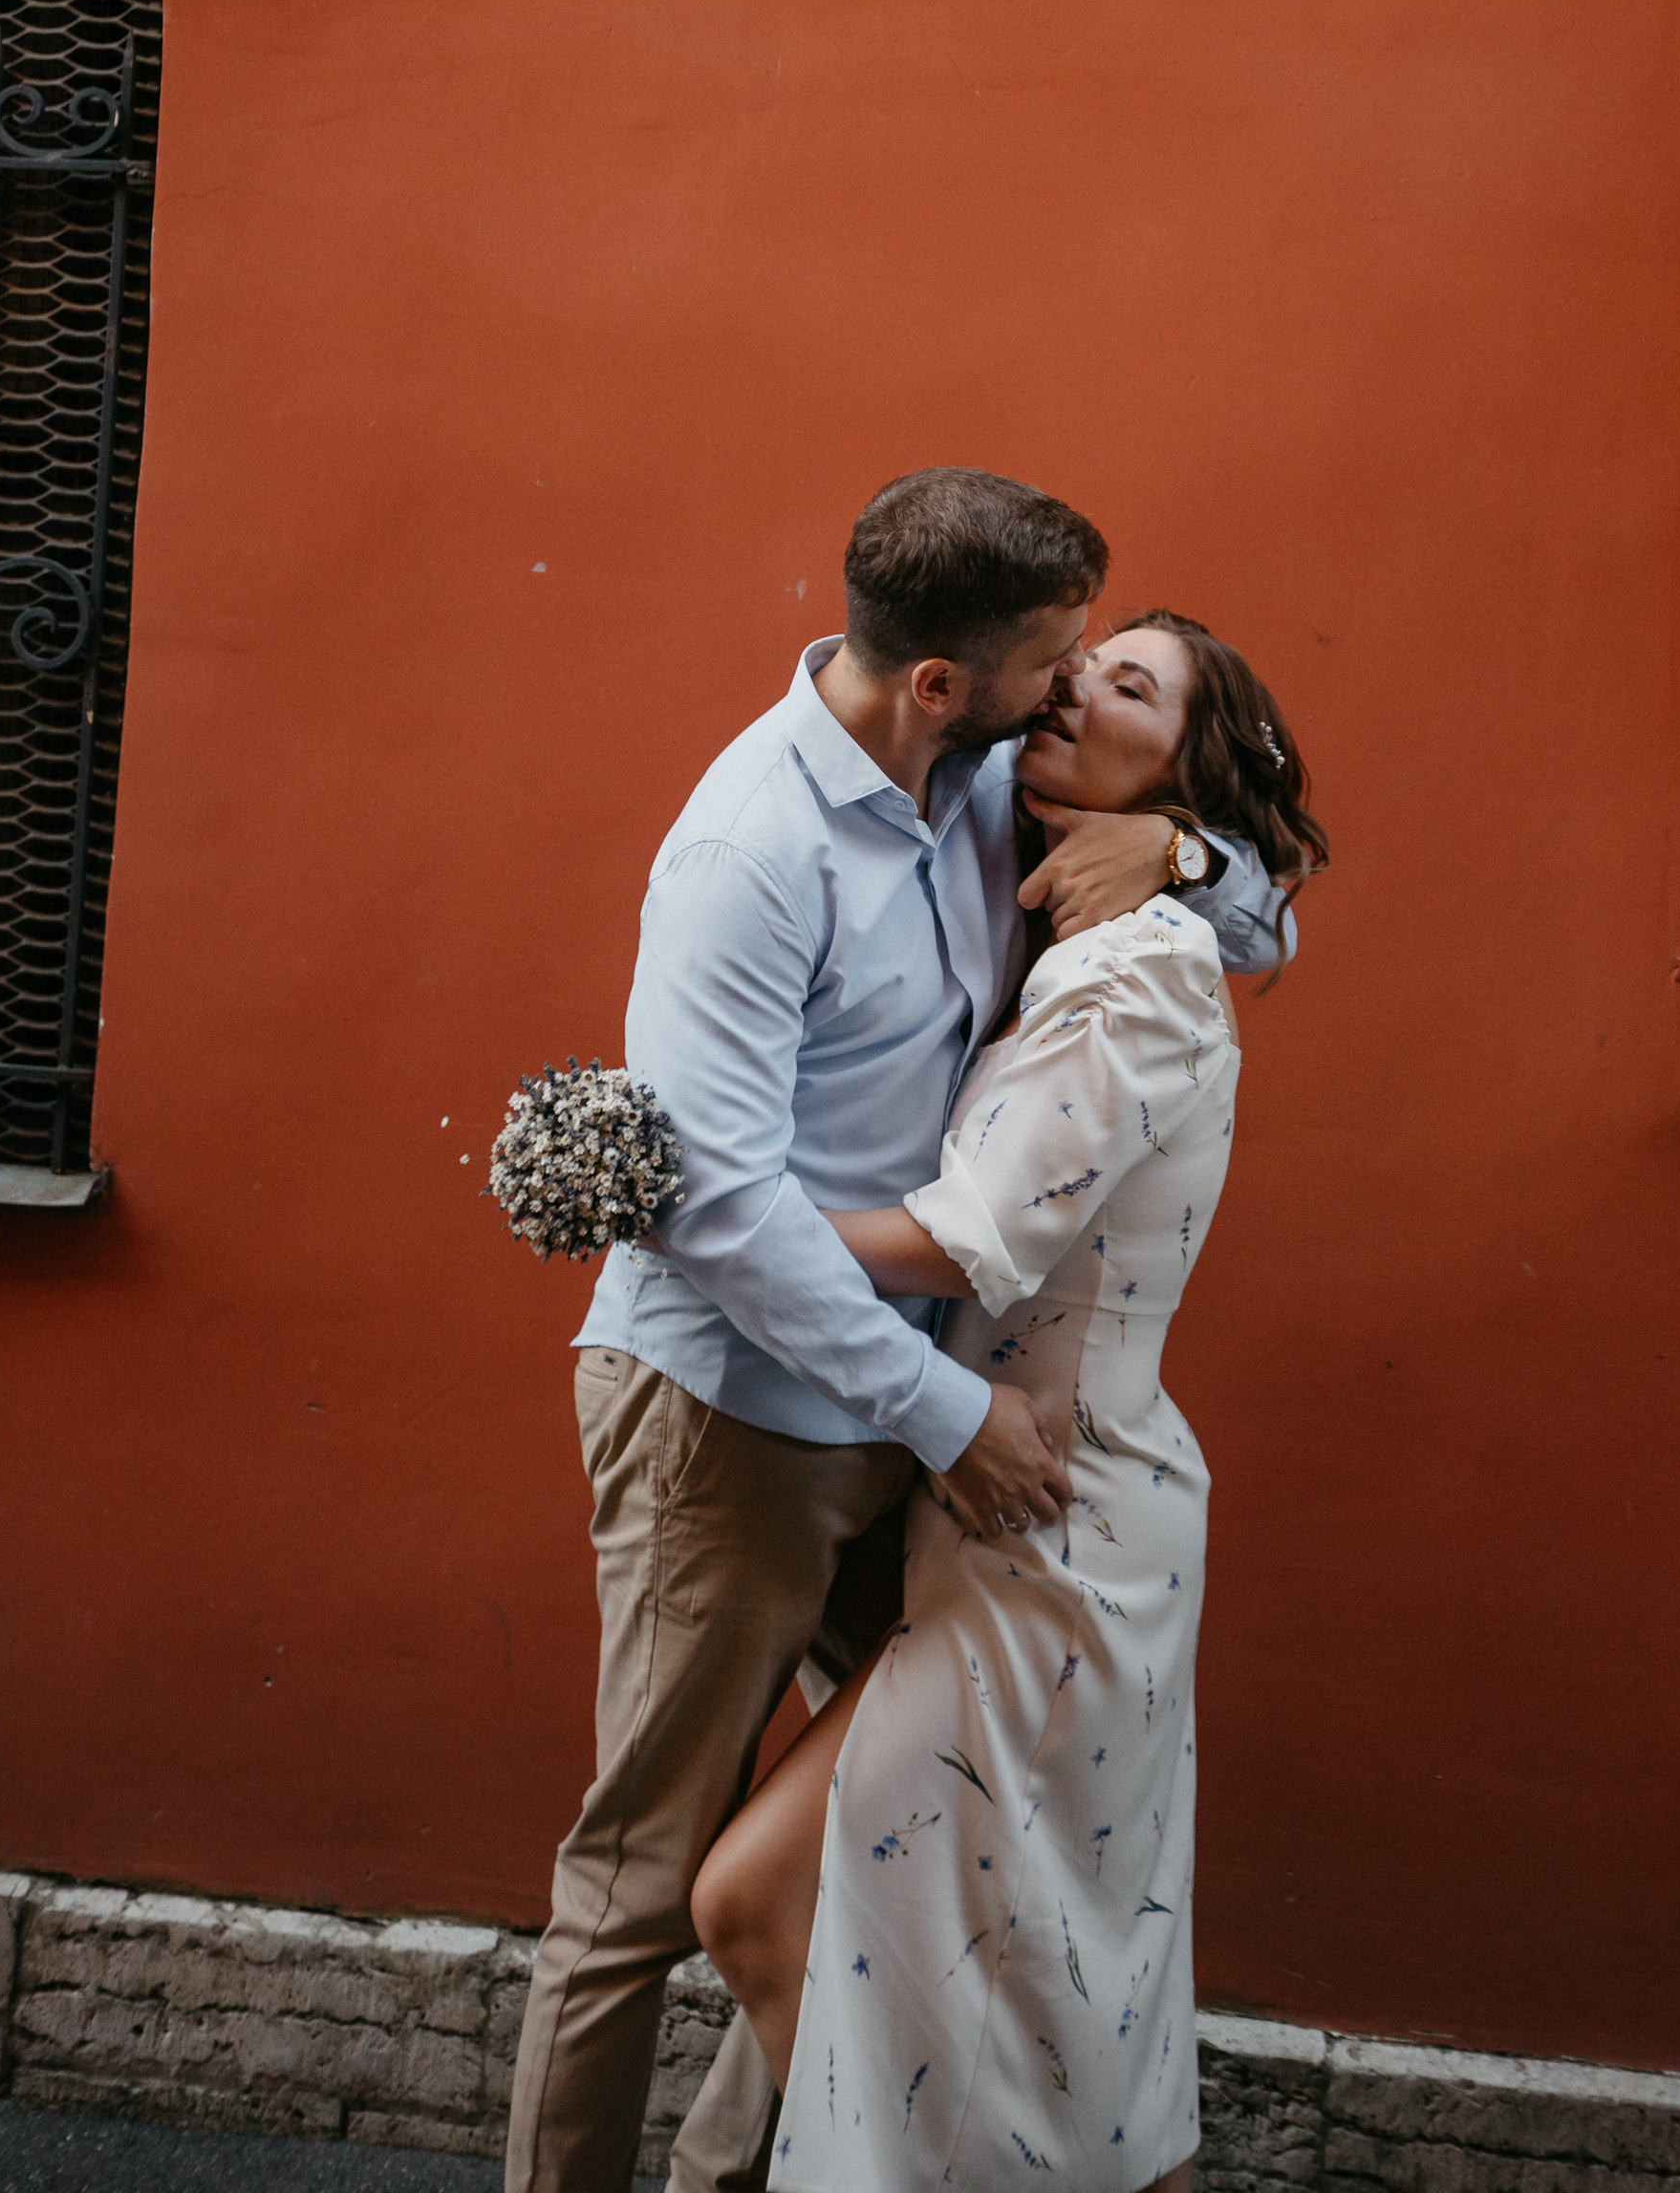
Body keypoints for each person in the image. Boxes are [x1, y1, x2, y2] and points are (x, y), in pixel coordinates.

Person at [504, 474, 1297, 2193]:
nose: (1072, 687)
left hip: (927, 1428)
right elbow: (715, 1210)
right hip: (735, 1416)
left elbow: (1264, 916)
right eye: (1056, 663)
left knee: (875, 1851)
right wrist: (942, 1408)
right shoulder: (749, 849)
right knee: (648, 1884)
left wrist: (1186, 843)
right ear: (944, 682)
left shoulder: (988, 789)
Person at [687, 610, 1325, 2193]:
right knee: (1055, 1975)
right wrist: (1184, 860)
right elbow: (1258, 906)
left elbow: (970, 1232)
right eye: (1083, 660)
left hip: (1054, 1506)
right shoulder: (990, 799)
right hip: (1004, 1495)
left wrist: (700, 1202)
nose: (1079, 685)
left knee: (768, 1901)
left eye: (1132, 686)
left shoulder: (1140, 959)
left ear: (1185, 765)